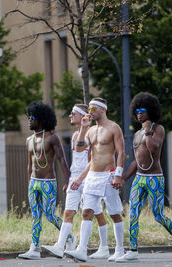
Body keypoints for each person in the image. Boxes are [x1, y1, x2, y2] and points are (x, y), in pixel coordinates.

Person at [115, 92, 172, 262]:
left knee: (158, 215)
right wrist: (124, 178)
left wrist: (148, 131)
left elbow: (154, 148)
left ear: (151, 111)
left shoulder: (158, 129)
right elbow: (135, 160)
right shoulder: (137, 134)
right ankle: (133, 250)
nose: (139, 113)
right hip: (139, 178)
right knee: (133, 213)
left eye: (143, 110)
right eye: (137, 110)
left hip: (155, 178)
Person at [42, 104, 110, 259]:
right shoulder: (75, 136)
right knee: (69, 211)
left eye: (73, 113)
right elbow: (78, 151)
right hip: (75, 178)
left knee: (95, 212)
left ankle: (104, 247)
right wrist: (72, 179)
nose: (70, 116)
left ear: (82, 116)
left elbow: (93, 160)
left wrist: (81, 179)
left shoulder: (94, 134)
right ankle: (60, 245)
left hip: (89, 177)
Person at [64, 97, 125, 262]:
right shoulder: (91, 130)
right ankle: (82, 250)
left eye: (93, 109)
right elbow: (79, 148)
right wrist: (83, 128)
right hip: (92, 176)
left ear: (102, 110)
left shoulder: (113, 128)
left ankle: (119, 249)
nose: (90, 112)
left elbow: (121, 152)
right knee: (86, 212)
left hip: (109, 174)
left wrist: (118, 174)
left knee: (114, 213)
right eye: (89, 109)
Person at [18, 101, 71, 260]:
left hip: (48, 182)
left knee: (49, 215)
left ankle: (70, 238)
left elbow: (62, 159)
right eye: (28, 117)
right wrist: (29, 183)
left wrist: (68, 181)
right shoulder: (28, 140)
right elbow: (29, 165)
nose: (29, 120)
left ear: (40, 119)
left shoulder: (52, 137)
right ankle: (34, 248)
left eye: (32, 117)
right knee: (35, 215)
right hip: (34, 183)